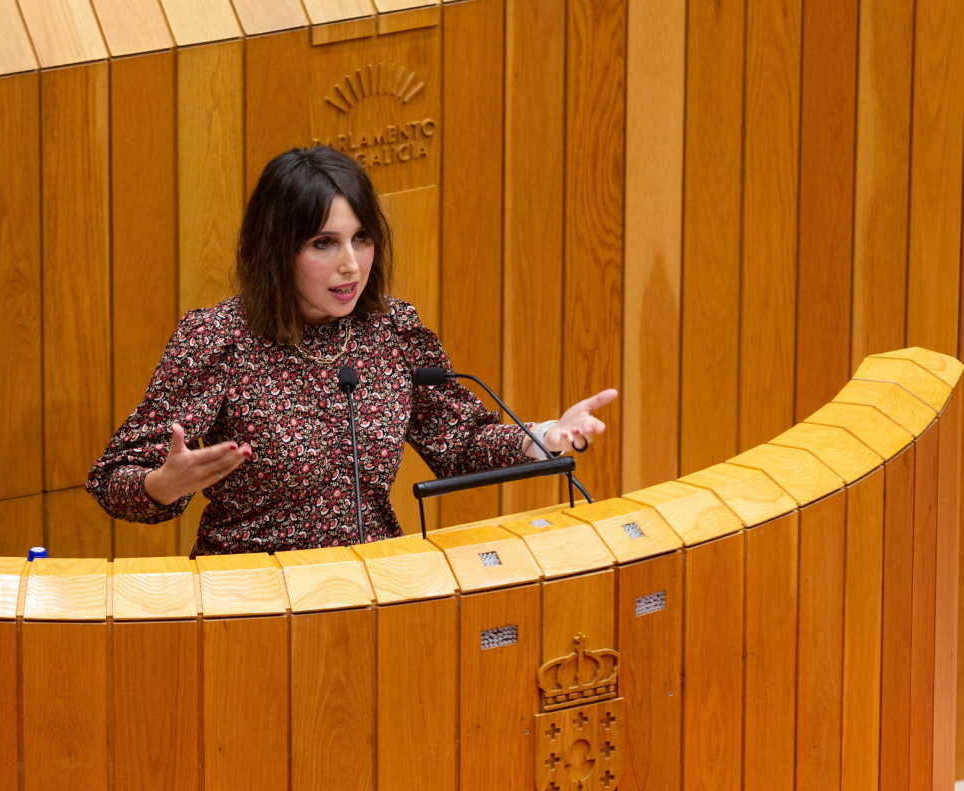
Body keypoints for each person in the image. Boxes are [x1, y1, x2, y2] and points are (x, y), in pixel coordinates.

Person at [87, 147, 617, 556]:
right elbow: (112, 478)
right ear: (277, 250)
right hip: (254, 600)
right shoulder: (219, 340)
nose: (351, 264)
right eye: (324, 243)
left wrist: (543, 436)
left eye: (361, 239)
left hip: (375, 588)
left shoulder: (392, 329)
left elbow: (459, 442)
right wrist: (161, 485)